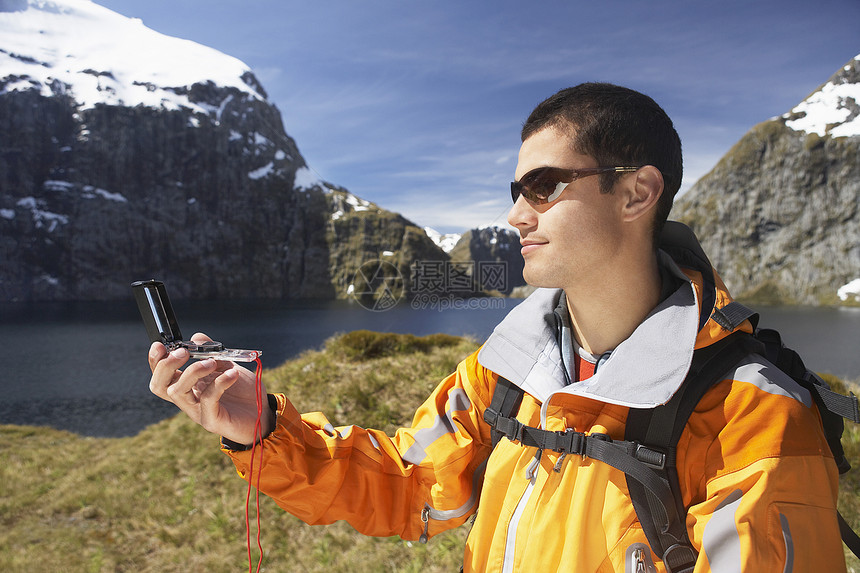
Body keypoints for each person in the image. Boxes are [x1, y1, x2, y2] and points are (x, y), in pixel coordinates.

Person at [147, 83, 846, 572]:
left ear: (637, 192)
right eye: (517, 191)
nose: (517, 214)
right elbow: (408, 484)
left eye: (544, 186)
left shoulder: (753, 412)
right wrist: (263, 425)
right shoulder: (507, 368)